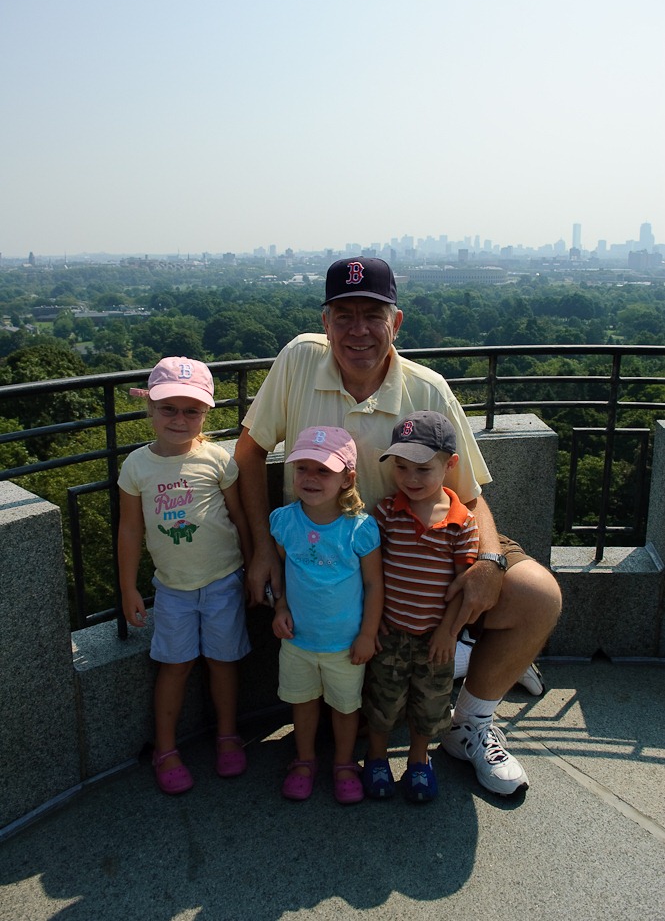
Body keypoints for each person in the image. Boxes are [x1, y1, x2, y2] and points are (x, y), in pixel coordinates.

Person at [235, 255, 562, 796]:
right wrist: (262, 551)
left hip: (424, 542)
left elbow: (472, 495)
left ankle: (471, 721)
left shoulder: (427, 388)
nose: (357, 330)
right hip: (333, 553)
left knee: (537, 596)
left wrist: (489, 560)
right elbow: (248, 455)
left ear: (397, 322)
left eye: (373, 314)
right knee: (358, 726)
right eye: (344, 315)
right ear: (325, 321)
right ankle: (463, 656)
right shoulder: (297, 361)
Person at [118, 356, 253, 795]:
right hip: (172, 589)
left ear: (205, 413)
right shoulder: (136, 466)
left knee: (223, 662)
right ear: (150, 411)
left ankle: (228, 735)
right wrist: (128, 588)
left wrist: (253, 569)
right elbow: (130, 528)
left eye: (191, 410)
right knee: (174, 667)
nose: (179, 419)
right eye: (168, 408)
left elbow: (239, 518)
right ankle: (166, 748)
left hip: (223, 581)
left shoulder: (217, 459)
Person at [362, 410, 478, 803]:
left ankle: (418, 760)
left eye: (423, 469)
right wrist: (372, 623)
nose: (410, 479)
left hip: (435, 639)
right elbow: (371, 576)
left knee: (429, 707)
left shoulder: (462, 521)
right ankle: (376, 758)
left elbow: (464, 586)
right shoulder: (385, 512)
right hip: (390, 632)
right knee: (382, 702)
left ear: (450, 465)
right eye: (401, 467)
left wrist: (450, 632)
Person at [270, 425, 384, 804]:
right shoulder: (284, 521)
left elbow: (373, 585)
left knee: (346, 707)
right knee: (301, 704)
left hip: (345, 644)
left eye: (323, 470)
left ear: (347, 477)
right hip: (298, 639)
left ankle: (343, 763)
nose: (310, 478)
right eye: (302, 468)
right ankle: (304, 760)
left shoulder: (359, 529)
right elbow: (282, 573)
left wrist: (368, 634)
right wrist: (280, 606)